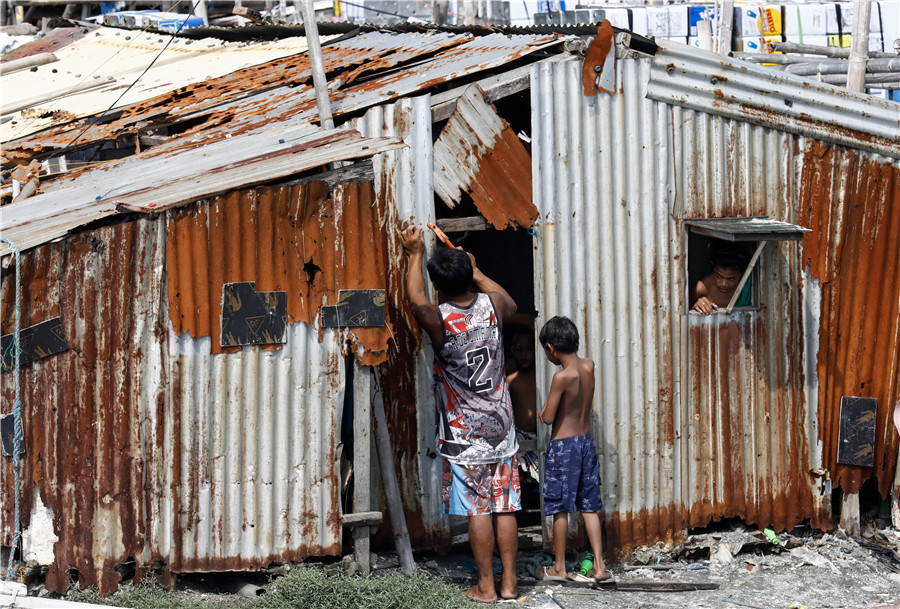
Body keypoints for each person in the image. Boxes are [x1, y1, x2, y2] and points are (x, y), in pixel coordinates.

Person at [399, 225, 520, 603]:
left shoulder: (439, 320)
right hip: (502, 428)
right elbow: (510, 301)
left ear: (440, 284)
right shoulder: (494, 307)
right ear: (468, 276)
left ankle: (486, 587)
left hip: (464, 433)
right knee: (505, 506)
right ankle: (511, 584)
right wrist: (477, 271)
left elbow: (415, 297)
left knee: (478, 509)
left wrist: (414, 253)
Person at [536, 316, 612, 583]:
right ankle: (600, 566)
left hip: (564, 447)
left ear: (550, 348)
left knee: (560, 507)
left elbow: (547, 417)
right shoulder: (588, 365)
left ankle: (558, 568)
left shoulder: (562, 377)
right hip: (585, 442)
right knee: (589, 505)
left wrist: (542, 411)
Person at [690, 246, 751, 314]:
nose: (723, 284)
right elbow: (691, 307)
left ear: (744, 272)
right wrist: (698, 304)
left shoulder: (751, 285)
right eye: (718, 276)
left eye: (731, 279)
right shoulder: (701, 289)